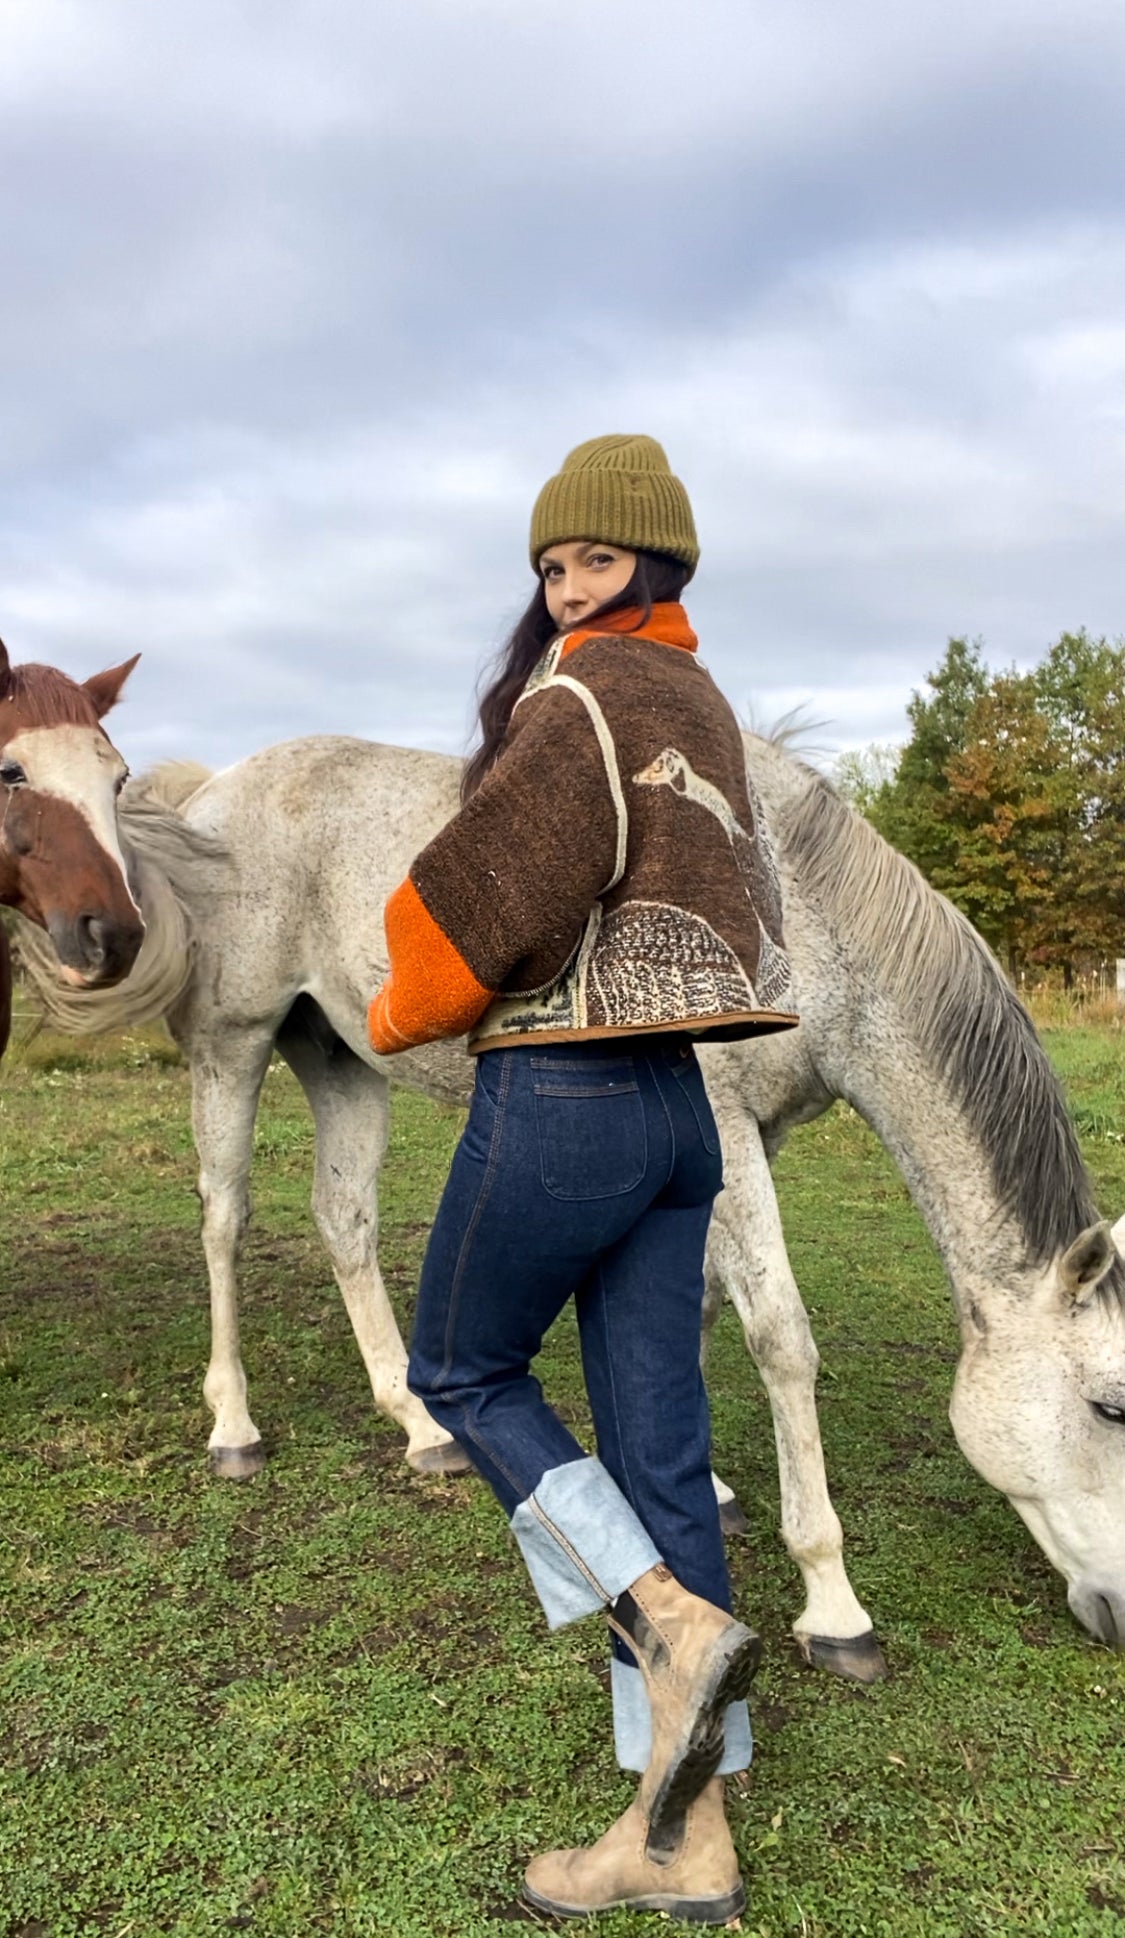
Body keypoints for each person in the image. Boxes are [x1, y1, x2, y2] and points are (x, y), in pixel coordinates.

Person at [367, 433, 799, 1923]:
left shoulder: (583, 695)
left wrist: (395, 997)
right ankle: (683, 1834)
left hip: (561, 1091)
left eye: (592, 560)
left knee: (460, 1368)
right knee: (658, 1453)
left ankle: (660, 1617)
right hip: (682, 1111)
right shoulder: (702, 698)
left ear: (653, 561)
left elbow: (487, 888)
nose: (562, 590)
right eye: (549, 565)